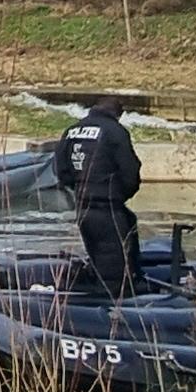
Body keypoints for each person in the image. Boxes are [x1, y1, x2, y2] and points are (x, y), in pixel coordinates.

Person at [48, 99, 147, 299]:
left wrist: (78, 189)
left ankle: (115, 285)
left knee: (103, 251)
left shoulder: (72, 131)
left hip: (83, 208)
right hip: (108, 206)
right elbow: (130, 170)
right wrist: (120, 195)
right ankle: (114, 311)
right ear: (118, 114)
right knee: (115, 272)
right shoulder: (115, 131)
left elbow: (61, 169)